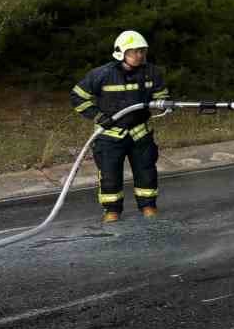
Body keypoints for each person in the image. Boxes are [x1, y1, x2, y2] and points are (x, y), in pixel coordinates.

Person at [71, 30, 169, 221]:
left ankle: (148, 207)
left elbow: (161, 95)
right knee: (109, 175)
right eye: (134, 51)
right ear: (121, 52)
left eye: (142, 51)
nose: (139, 55)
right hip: (110, 135)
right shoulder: (101, 74)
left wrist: (163, 104)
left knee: (146, 172)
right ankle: (112, 211)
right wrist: (98, 116)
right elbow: (77, 97)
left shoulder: (152, 72)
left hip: (141, 133)